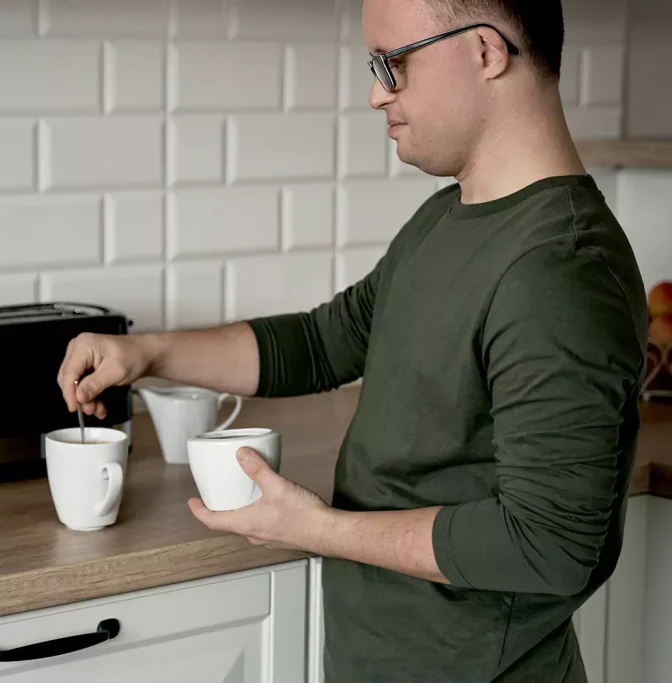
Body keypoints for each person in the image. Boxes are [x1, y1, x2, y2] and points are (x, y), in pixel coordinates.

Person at [56, 0, 650, 680]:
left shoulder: (560, 269)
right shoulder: (448, 217)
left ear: (486, 52)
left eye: (393, 64)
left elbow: (548, 545)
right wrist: (149, 354)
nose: (376, 93)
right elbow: (323, 342)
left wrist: (318, 529)